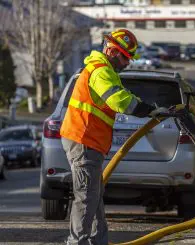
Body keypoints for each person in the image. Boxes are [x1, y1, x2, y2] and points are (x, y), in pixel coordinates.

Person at [60, 29, 158, 245]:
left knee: (93, 197)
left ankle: (98, 241)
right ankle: (76, 242)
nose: (127, 63)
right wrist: (147, 109)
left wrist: (147, 106)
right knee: (86, 198)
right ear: (113, 51)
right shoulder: (100, 71)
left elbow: (122, 95)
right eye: (125, 57)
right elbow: (119, 100)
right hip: (84, 140)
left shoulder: (105, 71)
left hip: (88, 141)